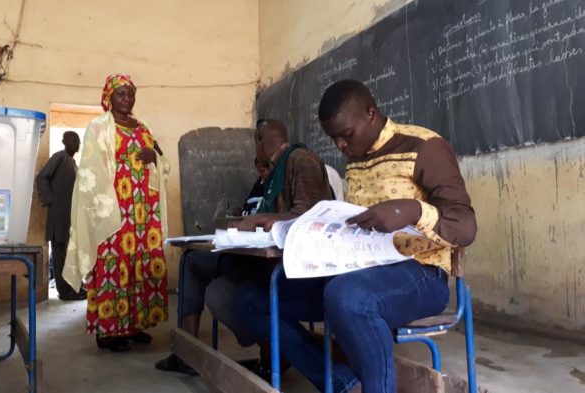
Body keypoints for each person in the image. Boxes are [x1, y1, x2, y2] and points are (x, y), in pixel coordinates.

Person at [231, 80, 478, 393]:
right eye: (333, 138)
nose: (340, 146)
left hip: (421, 275)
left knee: (348, 297)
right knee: (253, 301)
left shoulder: (424, 147)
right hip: (357, 271)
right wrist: (287, 224)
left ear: (371, 114)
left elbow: (465, 225)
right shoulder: (356, 159)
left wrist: (412, 211)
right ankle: (343, 383)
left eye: (346, 135)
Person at [204, 118, 334, 379]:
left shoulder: (300, 159)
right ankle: (275, 349)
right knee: (221, 277)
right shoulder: (275, 170)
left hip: (304, 268)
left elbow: (313, 215)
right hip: (276, 259)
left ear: (260, 142)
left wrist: (268, 219)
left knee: (236, 287)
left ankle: (284, 351)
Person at [63, 74, 170, 352]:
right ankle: (108, 331)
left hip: (142, 212)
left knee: (139, 264)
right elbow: (89, 169)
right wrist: (104, 206)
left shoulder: (143, 127)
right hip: (112, 208)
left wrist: (155, 158)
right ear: (109, 96)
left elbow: (162, 159)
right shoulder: (98, 127)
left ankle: (135, 325)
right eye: (122, 94)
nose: (127, 99)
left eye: (131, 94)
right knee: (113, 264)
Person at [155, 156, 270, 374]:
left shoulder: (281, 182)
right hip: (239, 253)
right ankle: (187, 351)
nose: (262, 172)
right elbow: (247, 215)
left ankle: (271, 355)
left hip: (258, 260)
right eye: (258, 167)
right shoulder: (259, 185)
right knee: (190, 259)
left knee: (227, 286)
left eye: (266, 167)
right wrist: (238, 216)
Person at [36, 131, 84, 301]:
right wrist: (50, 199)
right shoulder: (60, 157)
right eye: (73, 139)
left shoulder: (73, 163)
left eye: (78, 140)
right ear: (64, 141)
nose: (77, 142)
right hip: (59, 215)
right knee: (59, 254)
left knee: (69, 253)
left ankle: (75, 288)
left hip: (70, 216)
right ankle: (64, 291)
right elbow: (42, 177)